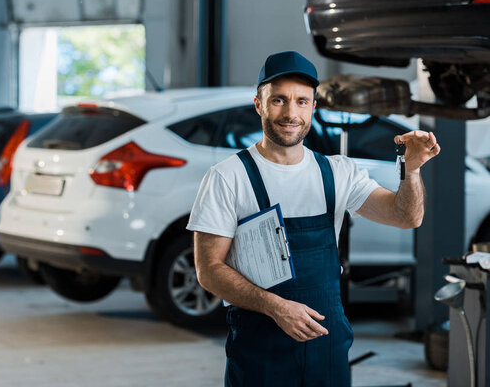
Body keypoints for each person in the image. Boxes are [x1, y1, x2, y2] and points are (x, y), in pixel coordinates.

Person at [186, 50, 440, 387]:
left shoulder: (337, 173)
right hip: (260, 345)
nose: (291, 113)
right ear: (259, 104)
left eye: (302, 101)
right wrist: (275, 306)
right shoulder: (228, 177)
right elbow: (209, 270)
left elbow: (406, 217)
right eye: (279, 100)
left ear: (314, 108)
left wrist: (412, 169)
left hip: (326, 343)